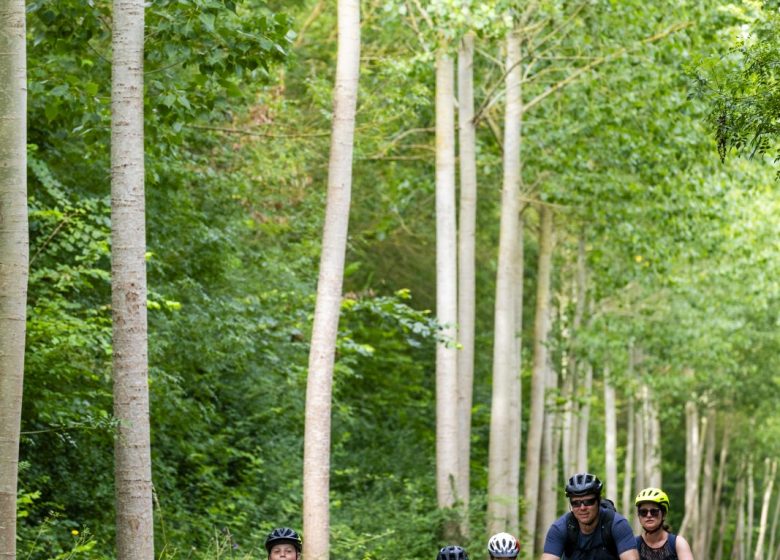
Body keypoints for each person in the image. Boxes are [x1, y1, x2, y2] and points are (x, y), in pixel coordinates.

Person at [541, 472, 639, 560]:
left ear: (599, 501)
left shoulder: (617, 524)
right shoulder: (560, 528)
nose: (582, 508)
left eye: (589, 502)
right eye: (576, 503)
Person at [634, 488, 693, 560]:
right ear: (639, 516)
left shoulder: (679, 543)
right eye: (643, 512)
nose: (648, 515)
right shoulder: (634, 545)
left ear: (664, 515)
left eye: (654, 511)